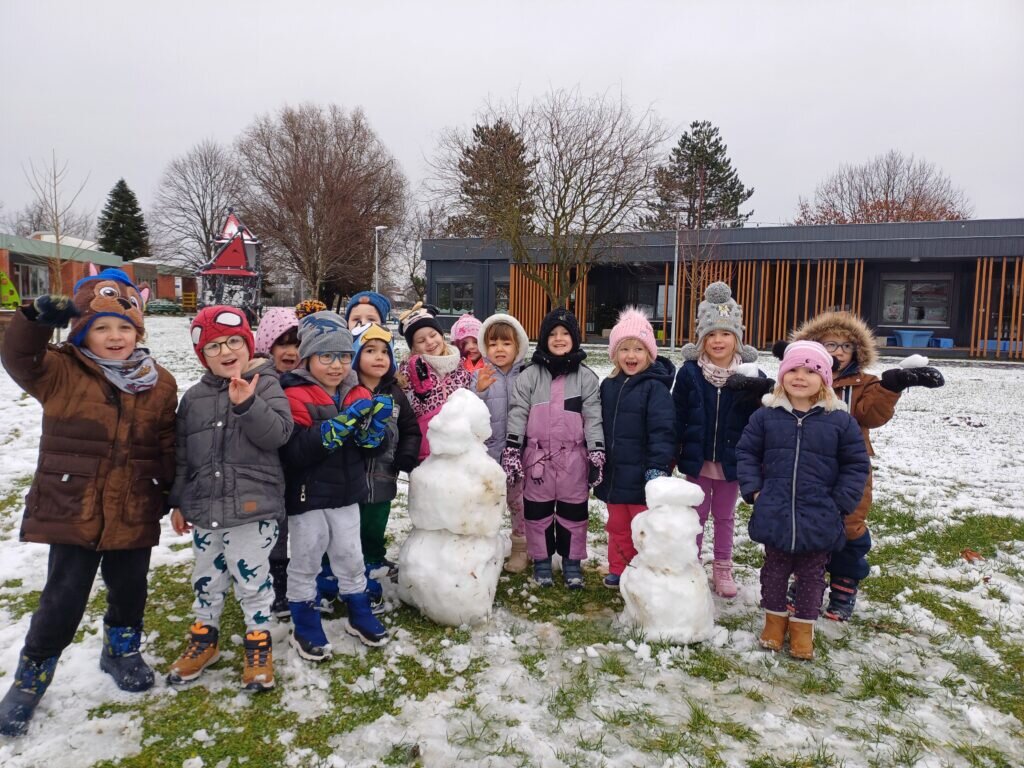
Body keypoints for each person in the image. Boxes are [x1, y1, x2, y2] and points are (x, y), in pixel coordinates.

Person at [0, 271, 178, 737]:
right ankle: (32, 674)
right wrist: (35, 320)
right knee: (63, 596)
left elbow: (167, 442)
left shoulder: (159, 382)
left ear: (138, 332)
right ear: (82, 332)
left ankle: (121, 648)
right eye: (101, 328)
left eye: (124, 327)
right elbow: (18, 356)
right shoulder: (59, 370)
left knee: (130, 588)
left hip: (135, 502)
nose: (114, 337)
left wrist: (175, 492)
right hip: (73, 503)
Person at [784, 312, 944, 620]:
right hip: (807, 465)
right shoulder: (802, 378)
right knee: (807, 522)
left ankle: (844, 586)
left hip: (851, 467)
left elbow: (873, 416)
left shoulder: (864, 384)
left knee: (850, 525)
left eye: (846, 346)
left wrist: (889, 388)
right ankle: (805, 580)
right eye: (830, 344)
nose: (838, 351)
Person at [166, 306, 293, 692]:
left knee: (252, 578)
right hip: (206, 507)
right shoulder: (192, 399)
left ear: (248, 343)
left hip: (253, 506)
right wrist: (178, 501)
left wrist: (247, 405)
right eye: (214, 346)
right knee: (206, 576)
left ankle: (259, 643)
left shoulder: (266, 384)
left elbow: (279, 435)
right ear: (202, 356)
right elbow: (183, 455)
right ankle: (205, 639)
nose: (226, 351)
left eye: (234, 341)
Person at [736, 341, 870, 660]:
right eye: (793, 369)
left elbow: (856, 464)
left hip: (819, 514)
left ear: (824, 378)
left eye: (810, 371)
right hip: (776, 511)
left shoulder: (840, 421)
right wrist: (755, 491)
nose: (800, 377)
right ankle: (774, 621)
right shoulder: (766, 416)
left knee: (811, 576)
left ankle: (802, 630)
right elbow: (747, 452)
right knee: (773, 571)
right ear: (782, 375)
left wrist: (840, 502)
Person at [279, 311, 392, 654]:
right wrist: (335, 428)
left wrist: (376, 434)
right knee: (306, 558)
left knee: (350, 554)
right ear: (308, 356)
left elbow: (371, 448)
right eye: (326, 356)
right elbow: (295, 449)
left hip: (347, 493)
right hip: (308, 495)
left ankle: (357, 610)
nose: (336, 365)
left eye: (343, 356)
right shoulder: (293, 393)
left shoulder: (357, 391)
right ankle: (304, 619)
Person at [672, 282, 770, 598]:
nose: (718, 341)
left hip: (731, 461)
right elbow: (678, 413)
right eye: (711, 334)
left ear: (736, 339)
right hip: (697, 459)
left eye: (725, 334)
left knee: (725, 516)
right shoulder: (689, 373)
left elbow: (760, 420)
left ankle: (723, 566)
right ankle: (693, 563)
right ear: (702, 339)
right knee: (696, 513)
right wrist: (676, 449)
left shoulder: (750, 376)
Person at [503, 309, 604, 589]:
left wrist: (596, 450)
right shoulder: (530, 376)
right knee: (537, 512)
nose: (559, 339)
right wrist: (513, 448)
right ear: (544, 339)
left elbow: (593, 417)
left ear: (575, 338)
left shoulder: (586, 377)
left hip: (574, 458)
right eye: (553, 334)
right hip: (537, 458)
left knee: (574, 512)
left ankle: (572, 561)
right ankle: (542, 559)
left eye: (565, 333)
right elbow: (518, 413)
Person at [594, 308, 676, 589]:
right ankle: (619, 568)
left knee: (643, 527)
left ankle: (643, 568)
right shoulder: (608, 386)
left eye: (638, 349)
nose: (631, 355)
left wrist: (658, 467)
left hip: (643, 475)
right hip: (615, 474)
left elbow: (664, 432)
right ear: (614, 354)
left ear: (649, 354)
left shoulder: (656, 389)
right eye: (624, 349)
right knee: (616, 525)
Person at [349, 321, 420, 579]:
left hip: (384, 474)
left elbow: (410, 429)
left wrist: (407, 454)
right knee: (347, 525)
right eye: (370, 350)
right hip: (350, 476)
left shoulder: (396, 394)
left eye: (384, 351)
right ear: (356, 356)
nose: (379, 357)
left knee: (375, 522)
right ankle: (341, 564)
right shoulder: (348, 391)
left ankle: (374, 559)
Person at [252, 306, 302, 619]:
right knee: (276, 522)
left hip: (298, 461)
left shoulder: (304, 378)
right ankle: (276, 575)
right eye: (283, 344)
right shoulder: (257, 379)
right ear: (268, 345)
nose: (291, 352)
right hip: (267, 465)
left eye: (297, 344)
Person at [472, 313, 531, 572]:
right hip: (489, 455)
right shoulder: (480, 375)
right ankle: (486, 547)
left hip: (519, 455)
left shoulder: (527, 375)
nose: (499, 349)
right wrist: (480, 391)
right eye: (493, 343)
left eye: (506, 343)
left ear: (518, 346)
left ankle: (520, 548)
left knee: (518, 503)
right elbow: (470, 411)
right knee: (488, 502)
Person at [397, 303, 474, 461]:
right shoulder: (408, 370)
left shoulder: (459, 366)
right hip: (427, 446)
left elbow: (469, 402)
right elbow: (407, 410)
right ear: (413, 347)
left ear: (441, 335)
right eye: (421, 340)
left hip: (457, 444)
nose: (430, 342)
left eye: (433, 335)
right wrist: (419, 393)